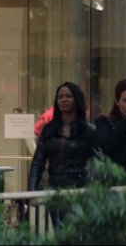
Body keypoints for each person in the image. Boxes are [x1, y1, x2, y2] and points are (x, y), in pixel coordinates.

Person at [28, 82, 98, 227]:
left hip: (79, 190)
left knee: (76, 231)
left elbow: (101, 161)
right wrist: (32, 190)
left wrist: (94, 187)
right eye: (60, 97)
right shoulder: (49, 130)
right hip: (55, 190)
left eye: (68, 96)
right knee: (60, 231)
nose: (63, 100)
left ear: (77, 100)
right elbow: (38, 161)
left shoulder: (88, 131)